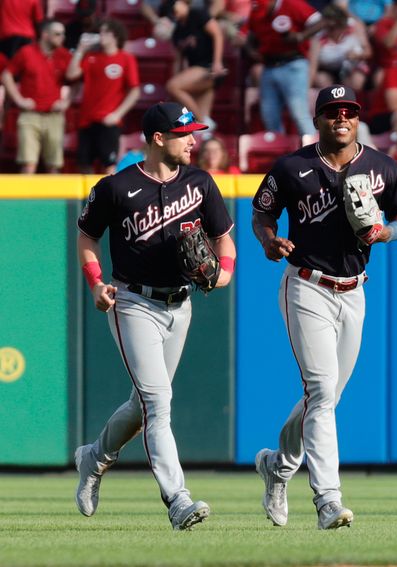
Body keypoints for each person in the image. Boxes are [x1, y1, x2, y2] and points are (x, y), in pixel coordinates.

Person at [251, 84, 397, 530]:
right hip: (307, 285)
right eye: (332, 111)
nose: (341, 118)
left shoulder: (381, 166)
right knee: (322, 392)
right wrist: (269, 241)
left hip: (355, 289)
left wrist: (388, 234)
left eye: (349, 111)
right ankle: (328, 500)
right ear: (318, 119)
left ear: (357, 118)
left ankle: (278, 467)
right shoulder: (292, 166)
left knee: (325, 397)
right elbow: (262, 213)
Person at [74, 102, 236, 531]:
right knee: (158, 403)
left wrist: (223, 276)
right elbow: (87, 238)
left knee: (142, 403)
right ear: (159, 138)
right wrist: (95, 283)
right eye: (185, 134)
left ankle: (94, 458)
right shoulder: (116, 187)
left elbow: (225, 242)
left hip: (180, 305)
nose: (194, 140)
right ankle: (177, 499)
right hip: (133, 303)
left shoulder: (201, 183)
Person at [66, 18, 141, 174]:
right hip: (86, 120)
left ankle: (108, 198)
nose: (101, 35)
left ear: (115, 35)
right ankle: (89, 198)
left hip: (109, 122)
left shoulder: (126, 58)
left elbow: (135, 91)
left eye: (105, 31)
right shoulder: (91, 57)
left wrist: (117, 114)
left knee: (109, 166)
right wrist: (80, 50)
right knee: (83, 164)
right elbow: (71, 74)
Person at [0, 19, 71, 174]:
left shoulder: (64, 55)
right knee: (28, 164)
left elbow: (77, 79)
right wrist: (19, 100)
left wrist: (67, 101)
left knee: (54, 166)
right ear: (45, 35)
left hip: (54, 116)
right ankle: (22, 199)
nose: (62, 38)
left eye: (63, 34)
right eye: (58, 34)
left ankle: (55, 199)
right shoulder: (27, 52)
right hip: (29, 116)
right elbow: (6, 75)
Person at [248, 0, 325, 138]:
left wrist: (301, 36)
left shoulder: (291, 4)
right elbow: (251, 35)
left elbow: (321, 21)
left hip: (294, 64)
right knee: (269, 115)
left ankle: (314, 150)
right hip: (269, 66)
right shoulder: (256, 11)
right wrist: (251, 49)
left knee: (299, 112)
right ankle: (278, 154)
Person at [166, 0, 227, 130]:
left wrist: (217, 62)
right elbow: (178, 59)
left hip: (209, 66)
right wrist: (178, 76)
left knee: (172, 86)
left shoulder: (197, 14)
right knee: (202, 128)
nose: (172, 10)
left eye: (175, 5)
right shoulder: (178, 30)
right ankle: (204, 123)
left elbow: (217, 34)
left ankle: (202, 121)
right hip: (196, 70)